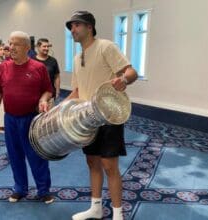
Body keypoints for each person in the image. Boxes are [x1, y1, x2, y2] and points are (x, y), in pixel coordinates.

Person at [65, 11, 138, 220]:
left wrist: (123, 79)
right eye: (71, 26)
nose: (73, 29)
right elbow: (77, 91)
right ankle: (96, 208)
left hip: (108, 114)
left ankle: (117, 213)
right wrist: (57, 108)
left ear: (90, 27)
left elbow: (131, 72)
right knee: (92, 162)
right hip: (87, 118)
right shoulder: (78, 57)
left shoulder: (106, 46)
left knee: (109, 165)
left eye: (77, 24)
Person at [0, 31, 54, 204]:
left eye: (16, 44)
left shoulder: (38, 68)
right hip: (11, 120)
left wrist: (43, 99)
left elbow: (48, 90)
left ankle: (43, 190)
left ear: (27, 47)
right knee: (15, 155)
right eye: (10, 43)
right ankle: (20, 189)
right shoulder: (3, 67)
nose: (11, 47)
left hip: (32, 119)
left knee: (36, 156)